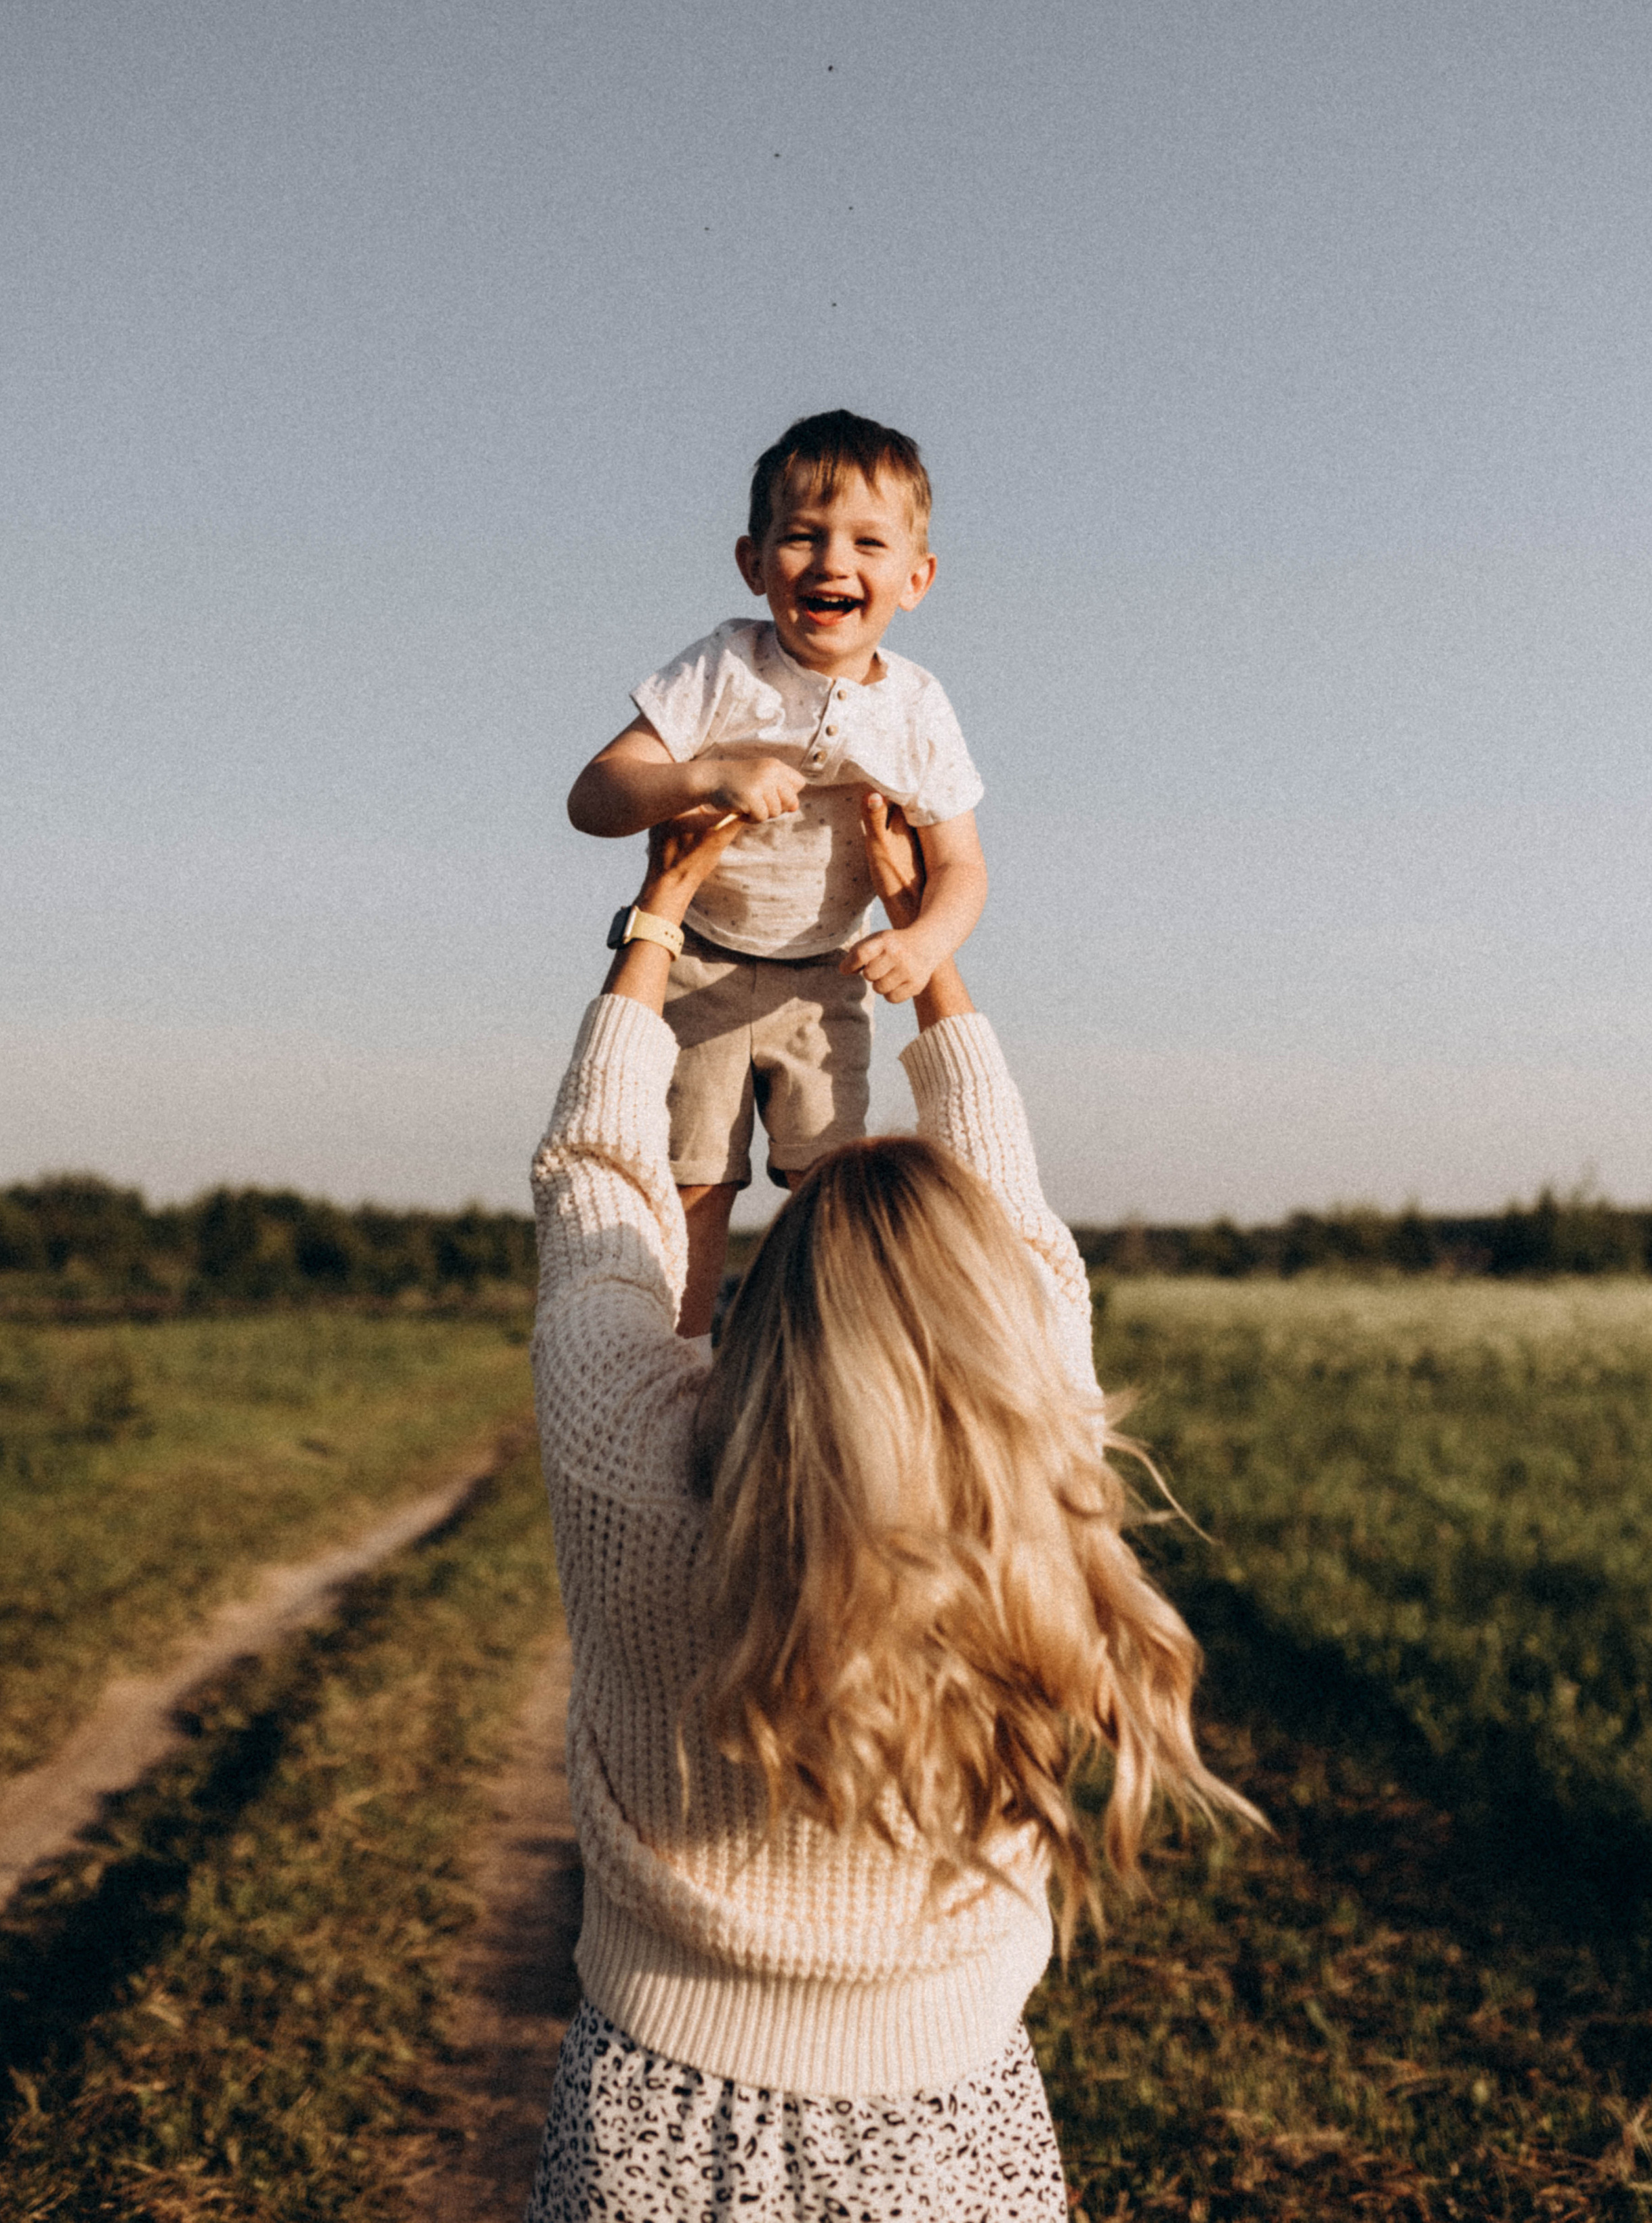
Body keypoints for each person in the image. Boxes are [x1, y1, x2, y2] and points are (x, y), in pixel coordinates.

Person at [526, 797, 1255, 2221]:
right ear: (994, 1323)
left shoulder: (625, 1469)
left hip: (652, 2120)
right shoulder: (1028, 1495)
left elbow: (595, 1196)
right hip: (946, 2126)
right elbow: (1021, 1224)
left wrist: (656, 930)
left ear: (769, 1312)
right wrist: (930, 952)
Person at [566, 409, 989, 1338]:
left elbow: (961, 865)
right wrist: (701, 772)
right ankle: (681, 1361)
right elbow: (594, 796)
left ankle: (814, 1357)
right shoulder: (724, 666)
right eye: (803, 537)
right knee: (694, 1180)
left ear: (915, 580)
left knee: (826, 1184)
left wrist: (924, 942)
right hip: (702, 965)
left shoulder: (918, 706)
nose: (834, 562)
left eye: (868, 543)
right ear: (754, 563)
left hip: (829, 977)